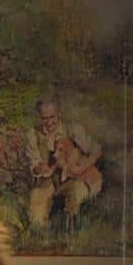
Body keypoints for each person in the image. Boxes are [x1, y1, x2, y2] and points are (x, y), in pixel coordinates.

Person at [25, 95, 103, 231]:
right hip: (48, 181)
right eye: (44, 118)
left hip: (77, 178)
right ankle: (45, 234)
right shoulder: (33, 134)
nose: (49, 122)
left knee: (75, 193)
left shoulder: (73, 130)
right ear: (39, 117)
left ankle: (71, 229)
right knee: (36, 222)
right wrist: (39, 168)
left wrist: (80, 168)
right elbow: (34, 164)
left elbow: (96, 151)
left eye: (52, 117)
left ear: (59, 114)